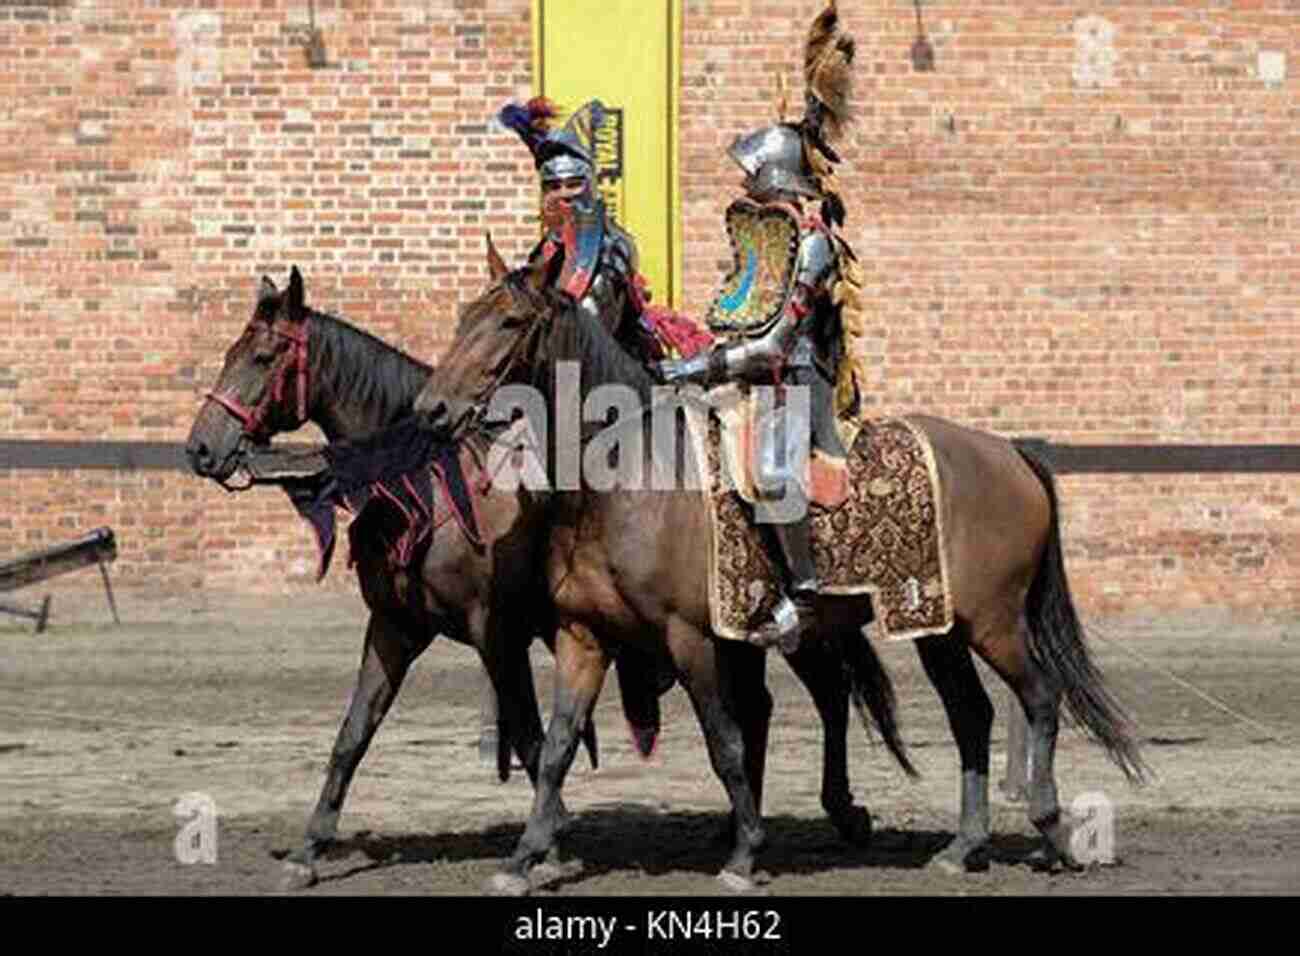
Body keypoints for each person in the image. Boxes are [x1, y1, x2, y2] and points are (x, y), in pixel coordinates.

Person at [655, 1, 866, 653]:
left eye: (750, 175)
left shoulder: (813, 246)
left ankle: (803, 595)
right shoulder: (769, 236)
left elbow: (777, 342)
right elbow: (747, 313)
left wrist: (705, 366)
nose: (742, 185)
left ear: (776, 176)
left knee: (773, 471)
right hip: (755, 380)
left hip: (796, 384)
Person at [497, 97, 667, 364]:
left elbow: (591, 328)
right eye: (554, 186)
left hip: (613, 367)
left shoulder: (613, 246)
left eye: (573, 184)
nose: (563, 194)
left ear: (589, 185)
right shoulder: (545, 249)